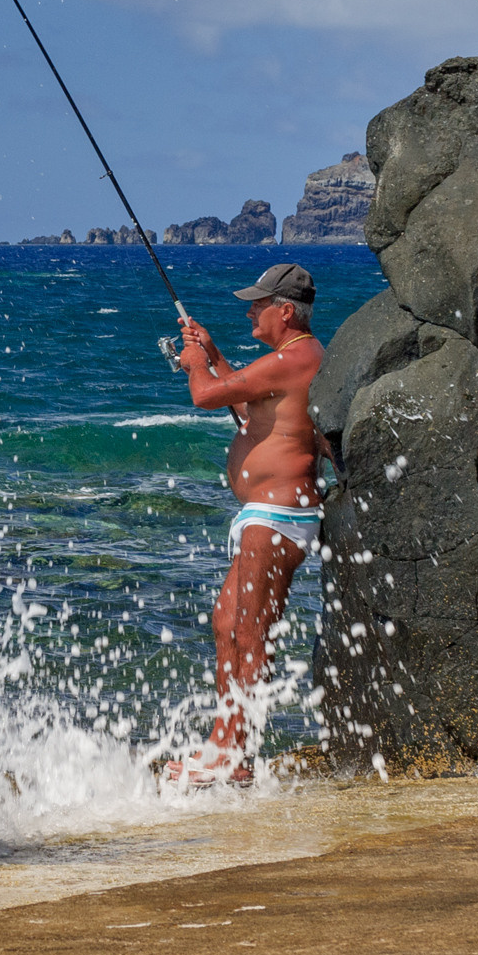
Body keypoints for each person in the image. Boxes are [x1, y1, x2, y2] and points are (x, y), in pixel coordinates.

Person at [164, 261, 327, 789]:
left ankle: (235, 755)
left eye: (259, 303)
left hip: (278, 515)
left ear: (286, 311)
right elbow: (245, 405)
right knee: (226, 620)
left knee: (249, 627)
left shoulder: (297, 356)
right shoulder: (285, 359)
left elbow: (208, 395)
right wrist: (210, 355)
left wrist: (195, 364)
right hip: (262, 515)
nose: (251, 310)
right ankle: (223, 743)